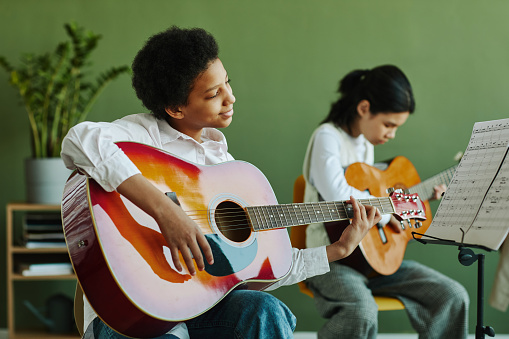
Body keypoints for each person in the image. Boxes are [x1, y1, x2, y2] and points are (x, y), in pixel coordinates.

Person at [61, 26, 382, 339]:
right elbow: (80, 139)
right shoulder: (143, 136)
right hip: (133, 314)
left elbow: (265, 269)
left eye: (227, 83)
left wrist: (337, 250)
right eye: (214, 93)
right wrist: (166, 213)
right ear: (175, 108)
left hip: (202, 308)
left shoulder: (225, 169)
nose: (230, 98)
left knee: (266, 310)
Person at [302, 65, 470, 339]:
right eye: (389, 124)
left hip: (371, 259)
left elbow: (374, 205)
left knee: (451, 295)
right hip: (331, 259)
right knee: (361, 311)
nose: (391, 134)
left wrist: (415, 202)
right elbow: (339, 195)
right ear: (364, 108)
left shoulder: (365, 145)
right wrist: (389, 207)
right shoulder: (327, 137)